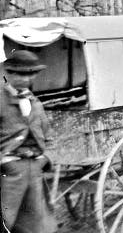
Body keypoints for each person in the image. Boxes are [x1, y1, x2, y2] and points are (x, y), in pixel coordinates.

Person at [1, 50, 56, 233]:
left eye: (30, 74)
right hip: (8, 170)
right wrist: (5, 160)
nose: (25, 79)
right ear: (8, 73)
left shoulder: (36, 103)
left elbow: (48, 138)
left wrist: (45, 158)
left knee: (34, 224)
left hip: (34, 168)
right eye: (20, 74)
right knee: (5, 219)